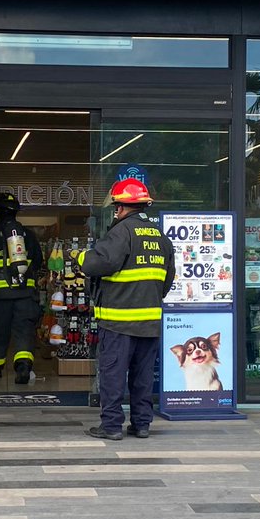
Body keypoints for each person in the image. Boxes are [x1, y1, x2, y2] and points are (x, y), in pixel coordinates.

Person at [76, 178, 175, 440]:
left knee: (113, 375)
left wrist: (81, 257)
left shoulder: (120, 232)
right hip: (149, 322)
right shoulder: (160, 237)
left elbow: (98, 265)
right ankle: (142, 424)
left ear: (119, 207)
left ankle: (110, 426)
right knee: (142, 377)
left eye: (116, 207)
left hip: (118, 322)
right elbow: (167, 281)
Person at [0, 192, 44, 384]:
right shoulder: (29, 236)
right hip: (25, 295)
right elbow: (39, 262)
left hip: (0, 297)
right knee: (24, 331)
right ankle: (23, 367)